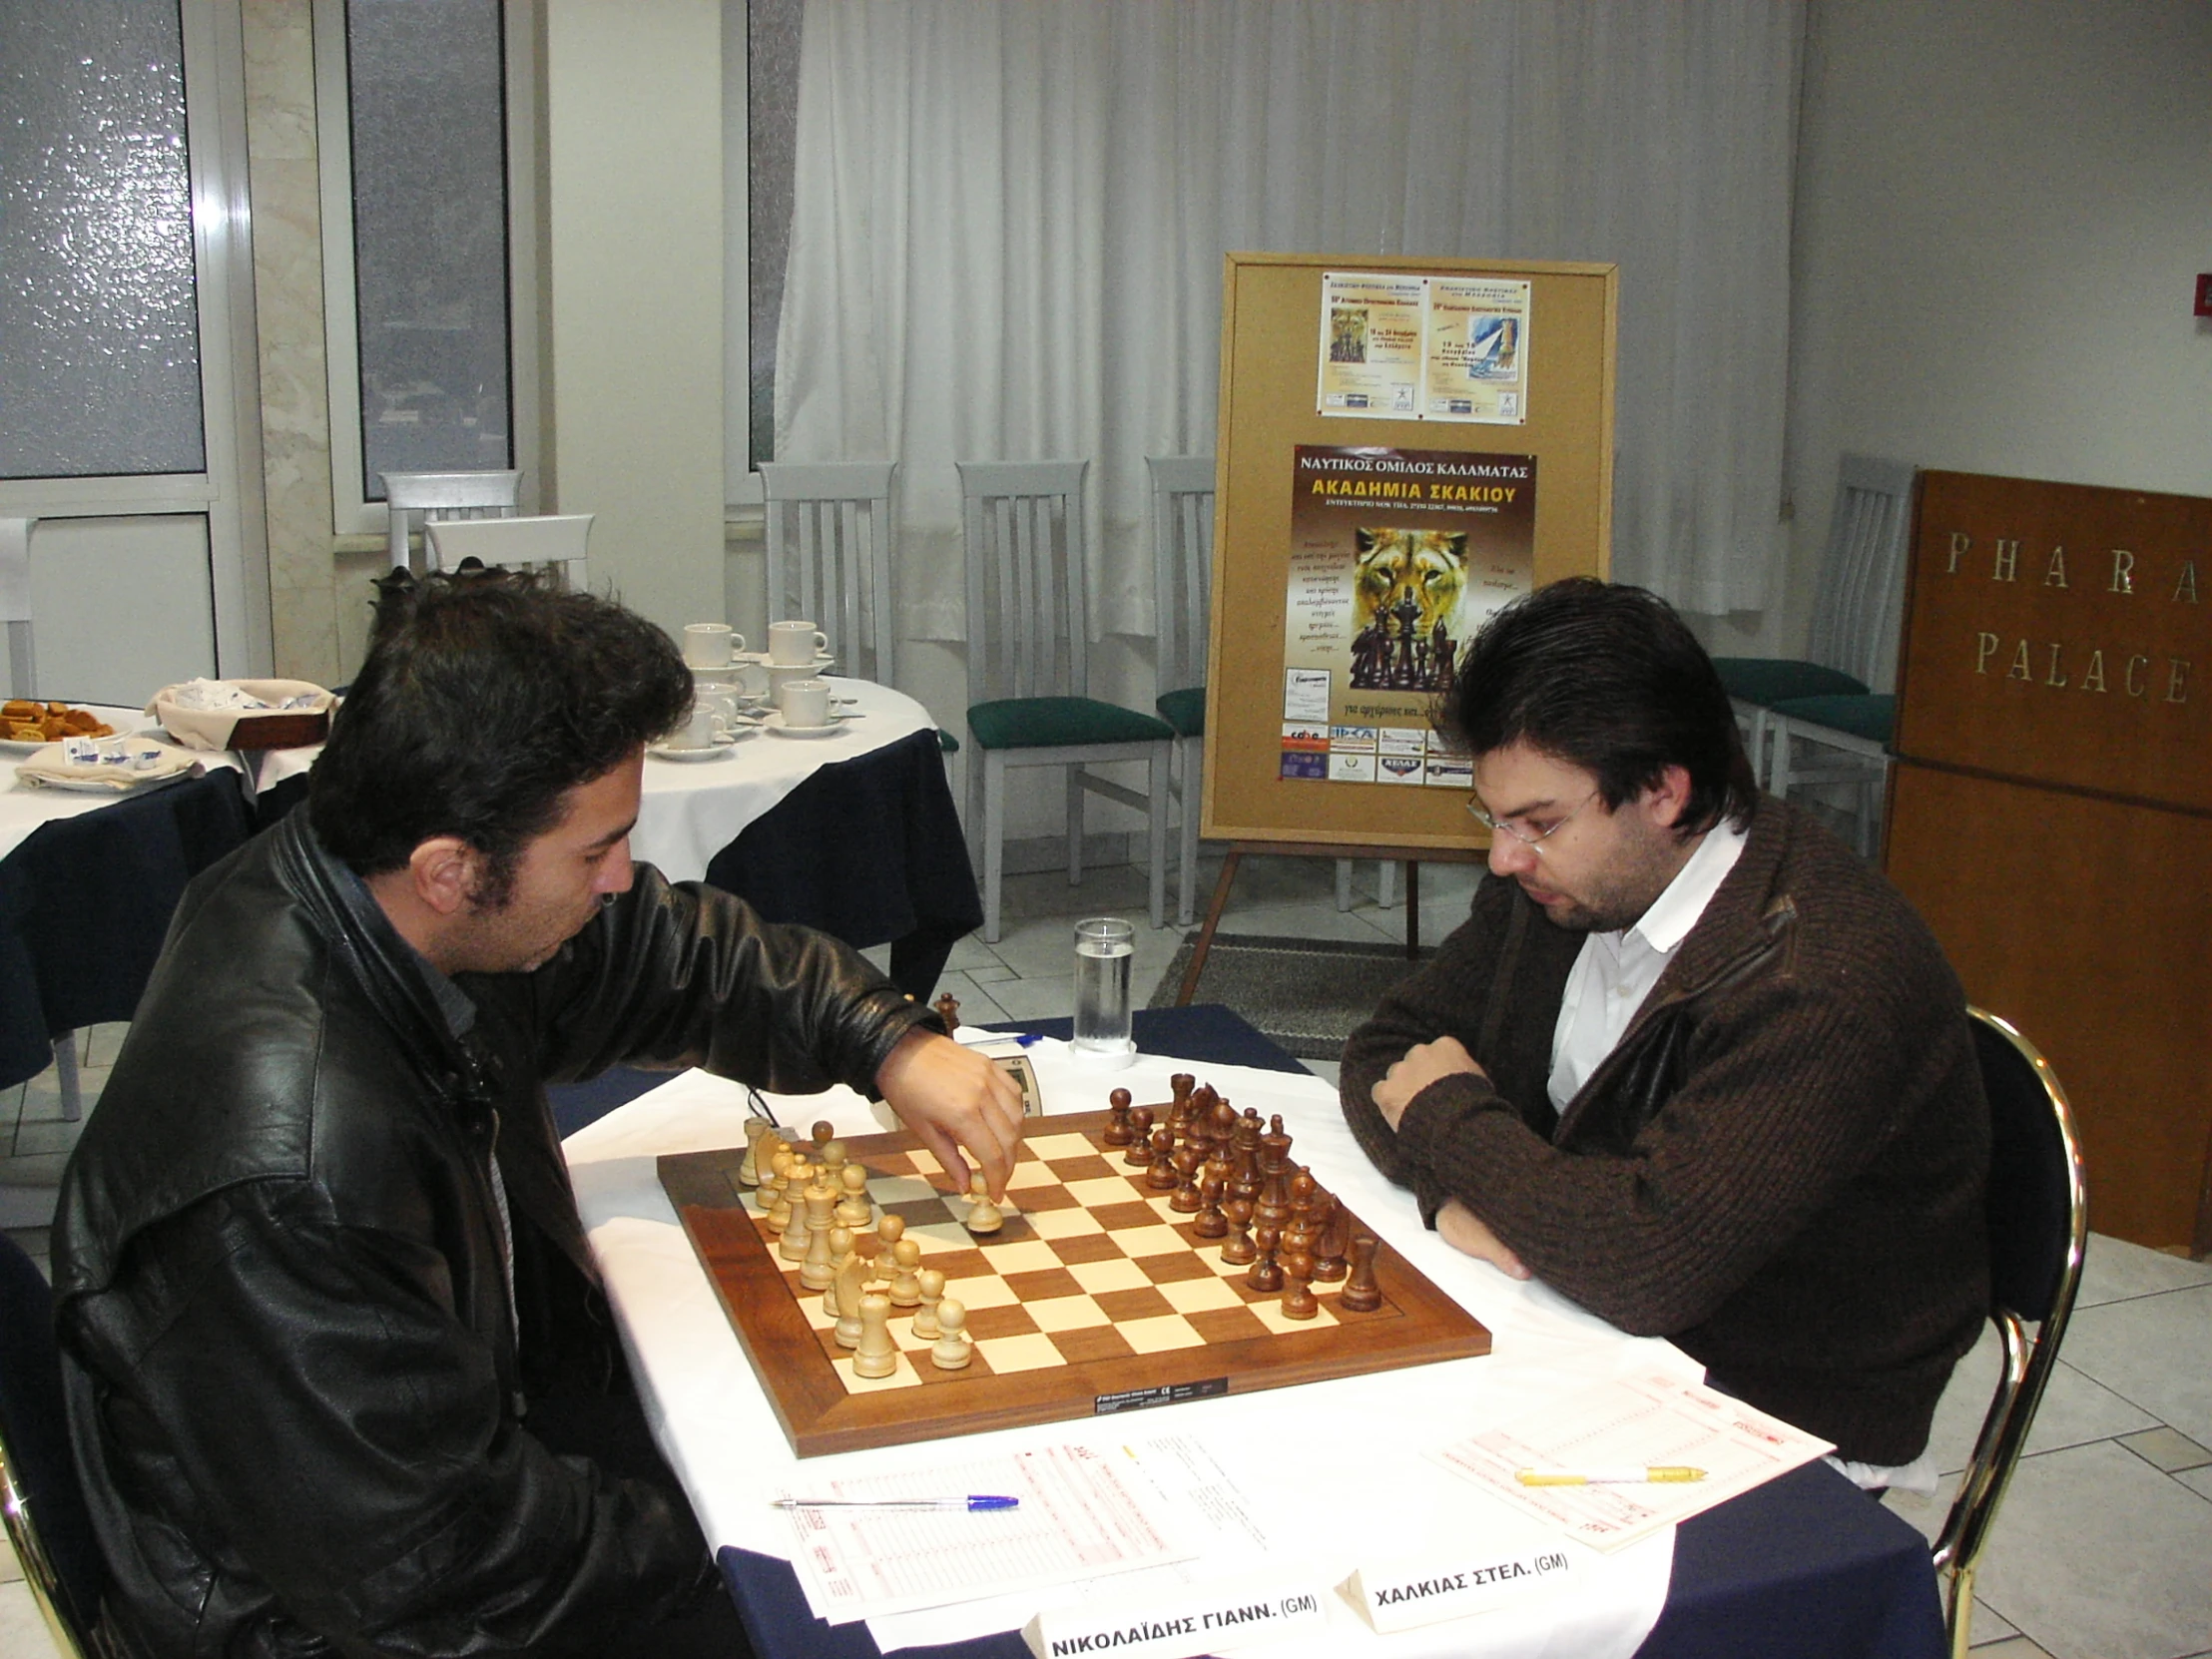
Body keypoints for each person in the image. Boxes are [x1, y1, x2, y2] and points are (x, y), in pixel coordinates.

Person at [53, 575, 1026, 1658]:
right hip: (330, 1621)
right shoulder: (289, 1174)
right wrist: (744, 1533)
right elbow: (446, 1573)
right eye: (594, 850)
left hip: (428, 1483)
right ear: (450, 871)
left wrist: (883, 1037)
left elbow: (668, 953)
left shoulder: (373, 889)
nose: (622, 877)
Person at [1341, 578, 1987, 1480]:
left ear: (1665, 793)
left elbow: (1644, 1264)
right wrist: (1448, 1195)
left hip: (1772, 1410)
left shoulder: (1821, 978)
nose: (1504, 855)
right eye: (1493, 817)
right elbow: (1384, 1053)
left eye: (1539, 822)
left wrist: (1451, 1122)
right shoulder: (1564, 881)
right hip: (1577, 1308)